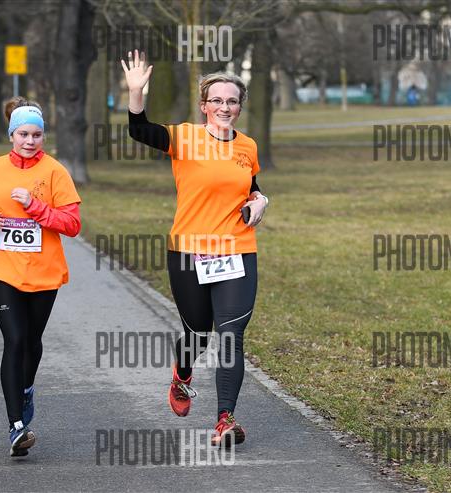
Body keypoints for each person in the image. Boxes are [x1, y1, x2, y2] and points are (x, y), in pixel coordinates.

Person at [122, 50, 269, 447]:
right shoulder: (185, 137)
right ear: (204, 106)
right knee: (198, 333)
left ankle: (225, 419)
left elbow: (251, 187)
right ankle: (182, 375)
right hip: (189, 252)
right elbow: (140, 130)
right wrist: (136, 93)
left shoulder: (248, 147)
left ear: (240, 107)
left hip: (237, 249)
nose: (225, 107)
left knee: (231, 334)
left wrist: (261, 200)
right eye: (216, 100)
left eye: (232, 101)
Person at [0, 96, 82, 457]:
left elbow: (72, 224)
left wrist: (36, 207)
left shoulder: (55, 172)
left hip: (44, 272)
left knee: (31, 340)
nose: (30, 141)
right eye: (23, 134)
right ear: (12, 135)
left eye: (36, 135)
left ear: (44, 136)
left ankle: (26, 388)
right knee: (14, 340)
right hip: (3, 270)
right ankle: (16, 426)